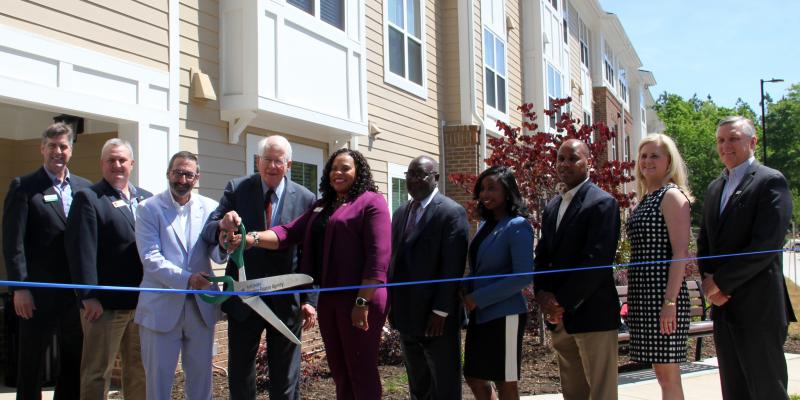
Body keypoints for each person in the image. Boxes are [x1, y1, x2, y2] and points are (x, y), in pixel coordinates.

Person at [222, 148, 392, 399]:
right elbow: (288, 232)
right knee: (340, 370)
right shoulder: (323, 206)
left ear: (359, 171)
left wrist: (361, 301)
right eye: (334, 168)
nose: (338, 173)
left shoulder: (371, 202)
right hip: (330, 299)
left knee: (361, 369)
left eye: (345, 168)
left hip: (360, 298)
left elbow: (379, 258)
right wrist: (251, 239)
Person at [201, 135, 316, 400]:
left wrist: (310, 299)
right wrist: (223, 226)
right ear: (257, 160)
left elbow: (310, 253)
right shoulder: (237, 188)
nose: (272, 166)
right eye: (267, 160)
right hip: (243, 299)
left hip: (286, 301)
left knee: (285, 377)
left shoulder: (306, 199)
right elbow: (210, 230)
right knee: (240, 374)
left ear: (289, 164)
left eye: (278, 161)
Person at [698, 116, 796, 399]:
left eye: (733, 138)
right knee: (734, 391)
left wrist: (721, 284)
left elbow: (765, 246)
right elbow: (705, 241)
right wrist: (708, 282)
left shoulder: (770, 181)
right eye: (720, 140)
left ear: (752, 142)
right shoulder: (716, 187)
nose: (725, 145)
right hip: (724, 310)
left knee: (766, 390)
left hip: (758, 308)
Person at [2, 122, 90, 400]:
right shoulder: (24, 187)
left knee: (73, 359)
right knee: (31, 361)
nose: (58, 151)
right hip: (36, 293)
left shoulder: (84, 189)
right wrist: (20, 288)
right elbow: (13, 243)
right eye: (52, 146)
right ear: (42, 149)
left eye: (63, 146)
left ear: (71, 150)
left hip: (74, 293)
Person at [134, 151, 227, 399]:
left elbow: (217, 255)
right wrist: (187, 279)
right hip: (160, 308)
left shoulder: (210, 208)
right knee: (158, 383)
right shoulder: (148, 209)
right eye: (177, 172)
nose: (182, 179)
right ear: (168, 173)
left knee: (201, 383)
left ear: (197, 177)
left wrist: (226, 243)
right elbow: (150, 258)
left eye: (188, 174)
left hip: (201, 309)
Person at [533, 139, 621, 400]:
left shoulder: (602, 203)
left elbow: (596, 261)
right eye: (561, 158)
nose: (565, 164)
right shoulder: (552, 207)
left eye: (573, 158)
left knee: (601, 393)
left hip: (592, 315)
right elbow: (543, 256)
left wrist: (562, 302)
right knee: (573, 393)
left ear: (589, 163)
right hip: (560, 321)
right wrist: (542, 295)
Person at [65, 138, 152, 400]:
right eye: (111, 160)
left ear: (132, 164)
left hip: (142, 303)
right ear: (102, 164)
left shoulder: (146, 199)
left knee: (139, 370)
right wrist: (88, 296)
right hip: (104, 306)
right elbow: (81, 250)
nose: (117, 165)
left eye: (122, 160)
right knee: (96, 372)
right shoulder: (88, 198)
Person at [388, 155, 469, 400]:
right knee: (418, 382)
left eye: (419, 174)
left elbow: (452, 267)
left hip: (437, 318)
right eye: (409, 174)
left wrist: (441, 310)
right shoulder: (401, 212)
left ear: (435, 178)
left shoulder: (451, 212)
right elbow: (396, 261)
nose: (413, 180)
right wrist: (393, 303)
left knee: (444, 382)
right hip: (406, 314)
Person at [627, 134, 693, 400]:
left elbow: (680, 254)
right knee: (660, 372)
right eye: (643, 156)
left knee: (668, 375)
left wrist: (670, 302)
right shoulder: (646, 198)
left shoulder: (672, 196)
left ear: (669, 161)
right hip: (644, 297)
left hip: (663, 297)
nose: (647, 161)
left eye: (655, 155)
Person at [461, 166, 533, 400]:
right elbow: (480, 268)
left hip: (506, 315)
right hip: (481, 314)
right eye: (482, 189)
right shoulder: (485, 224)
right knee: (474, 376)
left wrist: (477, 298)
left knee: (506, 381)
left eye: (492, 188)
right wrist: (464, 286)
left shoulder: (518, 225)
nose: (484, 194)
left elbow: (523, 276)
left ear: (508, 192)